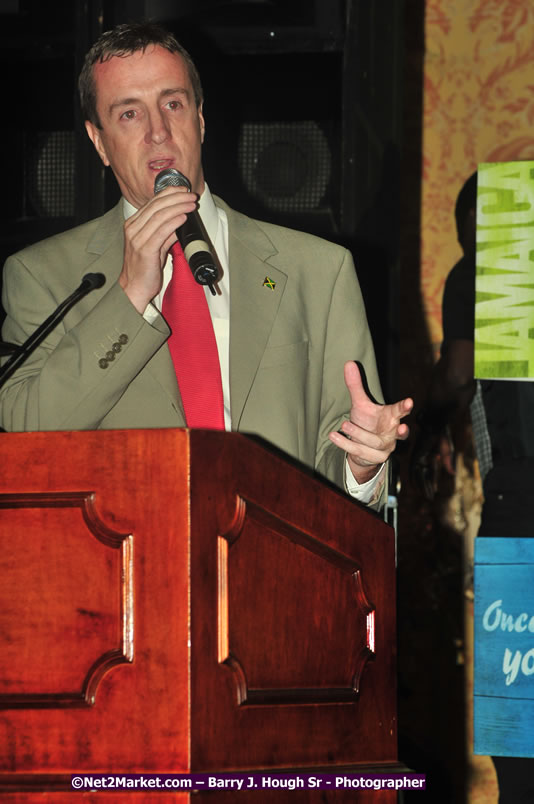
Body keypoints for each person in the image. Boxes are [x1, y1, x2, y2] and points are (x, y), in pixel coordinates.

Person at [0, 21, 412, 508]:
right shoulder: (42, 275)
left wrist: (361, 463)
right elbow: (29, 435)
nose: (158, 131)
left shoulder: (319, 270)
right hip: (125, 570)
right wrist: (129, 295)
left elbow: (335, 471)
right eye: (129, 113)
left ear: (199, 118)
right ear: (98, 141)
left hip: (276, 568)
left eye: (172, 104)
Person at [412, 171, 534, 802]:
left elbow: (458, 373)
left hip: (522, 509)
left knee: (520, 730)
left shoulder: (496, 262)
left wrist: (426, 416)